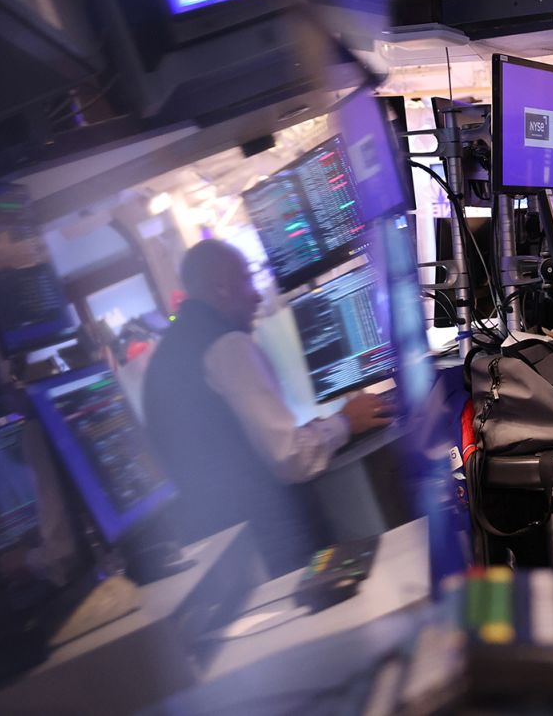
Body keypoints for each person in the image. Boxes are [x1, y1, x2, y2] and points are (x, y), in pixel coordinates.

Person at [142, 240, 391, 576]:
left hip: (228, 550)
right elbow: (290, 457)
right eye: (247, 280)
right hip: (275, 543)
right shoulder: (227, 345)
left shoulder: (166, 357)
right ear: (221, 288)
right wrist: (346, 422)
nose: (257, 295)